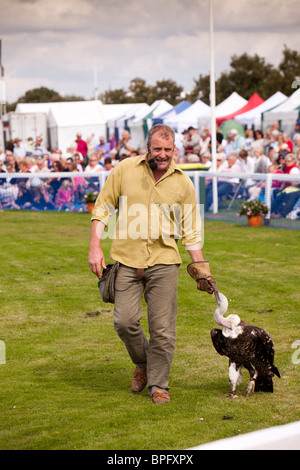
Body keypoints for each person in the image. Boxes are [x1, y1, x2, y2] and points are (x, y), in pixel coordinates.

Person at [88, 124, 215, 404]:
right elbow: (103, 208)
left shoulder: (183, 183)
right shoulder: (125, 169)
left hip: (164, 263)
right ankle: (144, 364)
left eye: (167, 149)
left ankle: (159, 385)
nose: (162, 154)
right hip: (126, 260)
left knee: (162, 329)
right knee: (124, 322)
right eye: (157, 148)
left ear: (174, 150)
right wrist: (95, 247)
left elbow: (192, 232)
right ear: (148, 147)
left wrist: (201, 270)